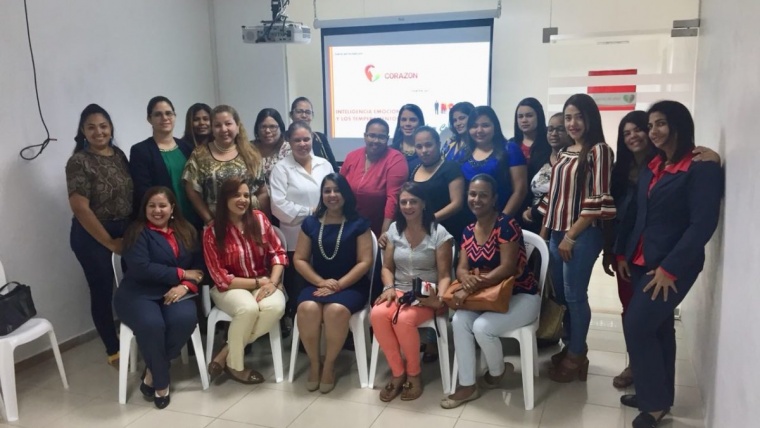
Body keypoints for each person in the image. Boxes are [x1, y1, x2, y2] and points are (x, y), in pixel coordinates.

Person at [616, 101, 723, 428]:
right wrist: (623, 253)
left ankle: (655, 404)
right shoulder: (653, 165)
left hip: (672, 264)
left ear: (678, 124)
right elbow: (639, 214)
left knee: (637, 325)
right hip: (640, 259)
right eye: (651, 126)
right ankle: (657, 394)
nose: (653, 132)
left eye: (660, 124)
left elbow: (702, 224)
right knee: (658, 328)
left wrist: (670, 268)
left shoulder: (701, 167)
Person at [441, 174, 540, 409]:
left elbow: (507, 268)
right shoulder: (467, 230)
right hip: (484, 296)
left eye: (483, 195)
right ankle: (467, 385)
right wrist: (465, 279)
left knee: (482, 327)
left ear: (494, 199)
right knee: (459, 321)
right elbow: (462, 267)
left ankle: (497, 372)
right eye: (472, 194)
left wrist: (473, 284)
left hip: (520, 295)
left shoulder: (506, 224)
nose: (476, 199)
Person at [538, 93, 616, 383]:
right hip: (557, 234)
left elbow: (599, 200)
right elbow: (554, 195)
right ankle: (571, 346)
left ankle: (577, 354)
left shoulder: (599, 151)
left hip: (581, 235)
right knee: (563, 297)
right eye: (568, 117)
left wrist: (570, 237)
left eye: (578, 117)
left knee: (575, 296)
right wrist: (547, 234)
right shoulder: (565, 151)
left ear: (590, 118)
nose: (572, 123)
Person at [114, 186, 203, 409]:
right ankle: (161, 385)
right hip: (139, 293)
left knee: (184, 320)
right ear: (144, 209)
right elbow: (141, 268)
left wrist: (186, 285)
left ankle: (153, 370)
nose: (157, 210)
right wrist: (182, 273)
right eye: (151, 205)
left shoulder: (187, 230)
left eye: (162, 205)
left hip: (176, 292)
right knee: (152, 324)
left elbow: (200, 266)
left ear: (172, 208)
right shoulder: (136, 232)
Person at [371, 182, 453, 402]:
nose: (408, 206)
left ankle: (414, 374)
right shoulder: (394, 230)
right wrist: (388, 288)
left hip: (428, 293)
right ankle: (398, 373)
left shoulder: (439, 233)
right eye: (404, 202)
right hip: (398, 289)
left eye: (413, 201)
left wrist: (440, 299)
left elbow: (445, 275)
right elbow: (387, 268)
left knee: (403, 319)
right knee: (377, 314)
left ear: (423, 204)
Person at [292, 174, 373, 393]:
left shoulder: (359, 223)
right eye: (327, 191)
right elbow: (299, 259)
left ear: (345, 194)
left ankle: (329, 365)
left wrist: (338, 285)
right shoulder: (310, 223)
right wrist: (321, 282)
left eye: (337, 190)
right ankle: (314, 363)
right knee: (306, 308)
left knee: (335, 311)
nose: (332, 195)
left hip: (351, 285)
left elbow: (365, 262)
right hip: (317, 282)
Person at [66, 104, 133, 366]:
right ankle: (112, 348)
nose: (98, 131)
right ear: (83, 131)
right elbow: (80, 208)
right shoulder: (78, 162)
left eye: (103, 126)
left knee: (133, 283)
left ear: (111, 128)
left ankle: (136, 334)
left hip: (124, 228)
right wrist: (109, 242)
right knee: (103, 290)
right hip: (91, 234)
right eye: (91, 127)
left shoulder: (119, 155)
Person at [203, 178, 288, 384]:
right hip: (230, 288)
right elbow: (222, 279)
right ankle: (236, 366)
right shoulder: (212, 231)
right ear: (224, 200)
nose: (242, 200)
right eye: (236, 195)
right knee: (248, 309)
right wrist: (260, 283)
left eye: (246, 195)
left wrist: (273, 282)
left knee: (275, 308)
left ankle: (225, 353)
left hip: (266, 281)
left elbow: (278, 254)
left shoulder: (259, 219)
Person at [270, 121, 334, 319]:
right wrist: (311, 212)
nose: (302, 144)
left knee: (324, 284)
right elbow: (278, 206)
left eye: (306, 139)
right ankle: (301, 331)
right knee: (299, 286)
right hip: (295, 238)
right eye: (297, 140)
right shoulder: (281, 169)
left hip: (326, 235)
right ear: (289, 141)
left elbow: (334, 195)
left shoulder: (325, 165)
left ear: (312, 139)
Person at [183, 104, 267, 225]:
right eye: (217, 125)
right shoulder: (200, 154)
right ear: (212, 128)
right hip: (217, 224)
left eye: (228, 124)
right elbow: (191, 190)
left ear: (237, 126)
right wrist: (209, 220)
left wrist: (262, 221)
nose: (223, 129)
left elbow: (261, 190)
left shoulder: (251, 153)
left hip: (250, 222)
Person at [130, 96, 198, 227]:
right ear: (149, 119)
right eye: (158, 114)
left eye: (168, 113)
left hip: (192, 220)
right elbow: (143, 190)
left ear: (174, 116)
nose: (165, 118)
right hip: (162, 222)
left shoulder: (187, 148)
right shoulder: (140, 151)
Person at [341, 118, 408, 237]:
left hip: (379, 224)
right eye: (372, 135)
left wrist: (385, 232)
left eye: (381, 137)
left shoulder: (396, 159)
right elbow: (339, 188)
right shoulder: (352, 156)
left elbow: (393, 198)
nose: (376, 141)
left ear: (387, 139)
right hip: (348, 224)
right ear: (365, 136)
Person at [460, 106, 528, 221]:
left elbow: (520, 191)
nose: (479, 130)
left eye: (485, 125)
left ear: (495, 126)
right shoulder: (464, 153)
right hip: (469, 222)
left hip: (502, 220)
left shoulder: (510, 149)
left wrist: (501, 221)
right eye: (474, 126)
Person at [410, 126, 465, 239]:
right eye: (419, 147)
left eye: (428, 145)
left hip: (447, 232)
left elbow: (457, 203)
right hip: (419, 232)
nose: (424, 150)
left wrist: (429, 220)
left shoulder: (451, 168)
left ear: (438, 144)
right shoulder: (413, 170)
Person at [522, 113, 571, 234]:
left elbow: (558, 196)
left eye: (560, 130)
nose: (554, 134)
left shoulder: (572, 161)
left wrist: (534, 212)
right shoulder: (539, 157)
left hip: (559, 226)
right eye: (550, 129)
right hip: (533, 222)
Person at [289, 96, 338, 170]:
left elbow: (334, 168)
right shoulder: (284, 138)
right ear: (291, 115)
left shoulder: (320, 138)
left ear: (312, 116)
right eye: (299, 112)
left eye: (308, 112)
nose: (304, 115)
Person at [251, 108, 291, 183]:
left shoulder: (289, 150)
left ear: (281, 128)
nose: (267, 131)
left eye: (272, 127)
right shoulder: (248, 148)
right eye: (263, 127)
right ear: (257, 129)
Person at [390, 104, 426, 171]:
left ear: (420, 123)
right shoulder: (390, 151)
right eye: (403, 120)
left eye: (413, 120)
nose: (407, 124)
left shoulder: (426, 151)